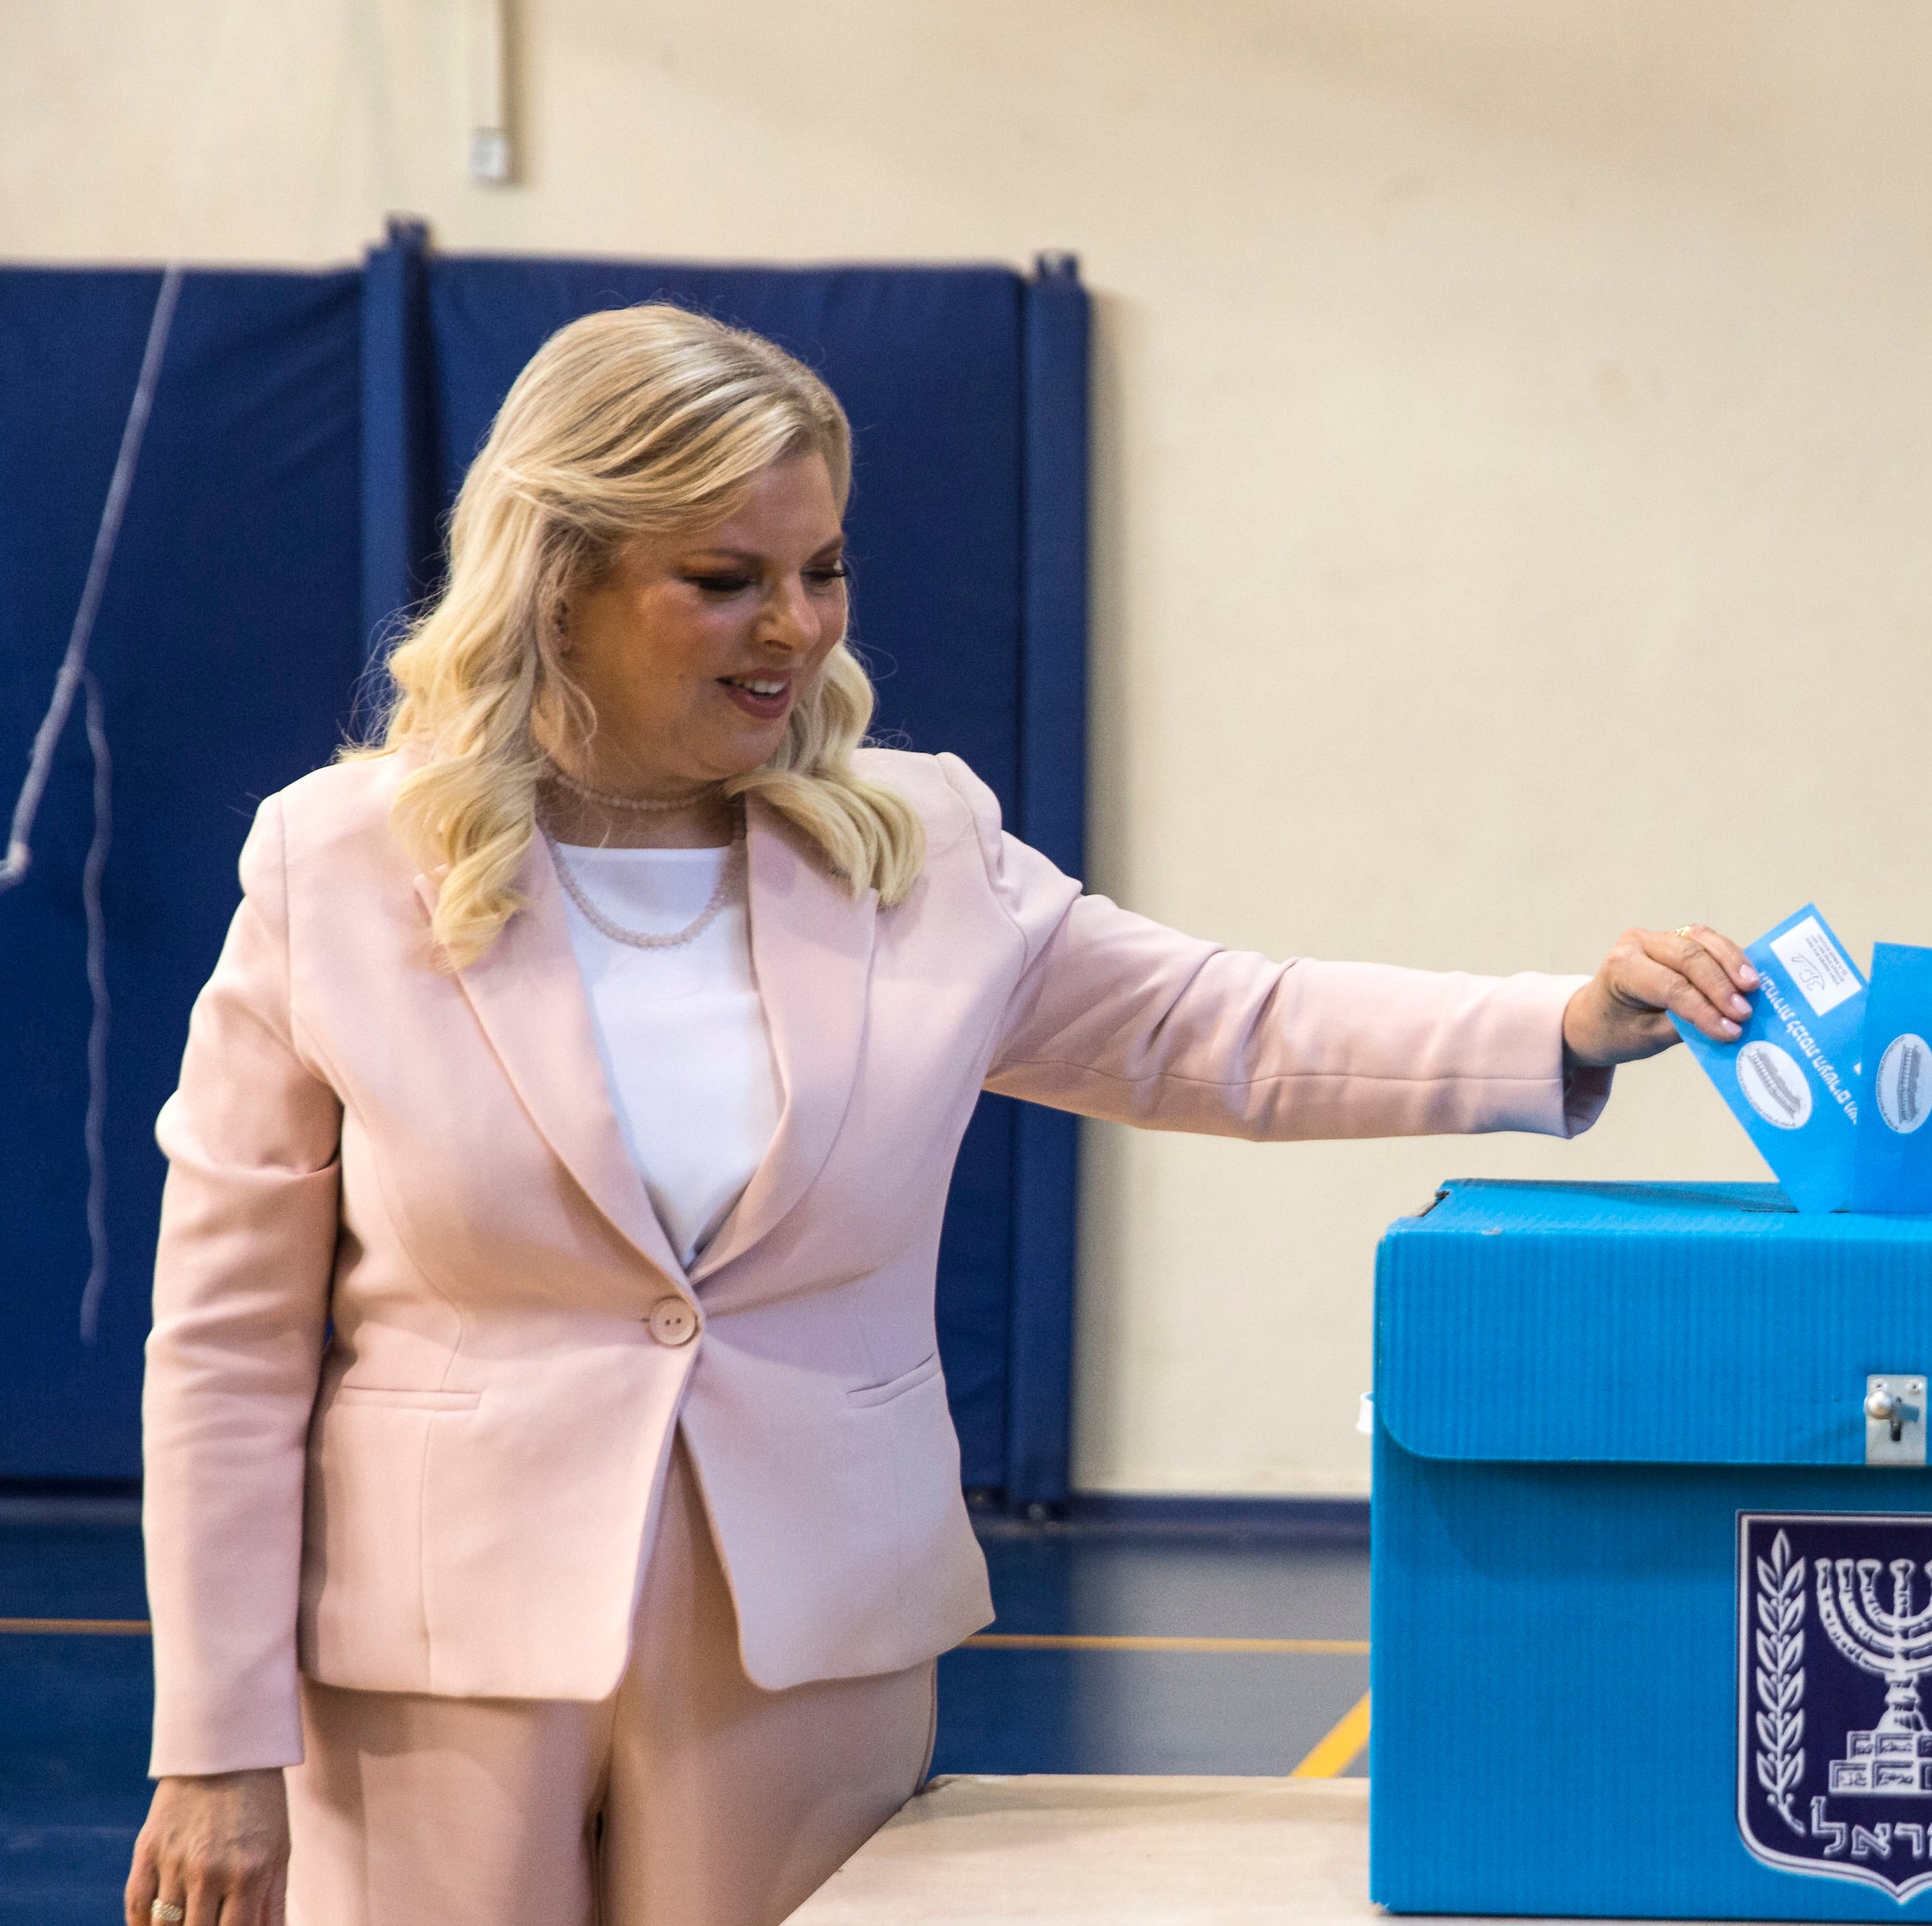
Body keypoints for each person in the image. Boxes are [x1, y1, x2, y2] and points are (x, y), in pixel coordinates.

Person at [123, 303, 1763, 1926]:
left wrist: (1560, 1021)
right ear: (559, 579)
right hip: (424, 1663)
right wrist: (213, 1745)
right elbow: (226, 1342)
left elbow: (1222, 1024)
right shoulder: (328, 862)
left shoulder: (917, 845)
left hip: (813, 1638)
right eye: (725, 580)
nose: (796, 627)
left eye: (822, 569)